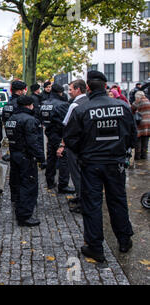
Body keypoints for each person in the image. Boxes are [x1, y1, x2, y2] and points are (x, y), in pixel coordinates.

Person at [64, 70, 136, 262]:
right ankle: (124, 239)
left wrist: (85, 151)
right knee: (118, 200)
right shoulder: (122, 107)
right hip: (115, 163)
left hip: (92, 164)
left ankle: (95, 246)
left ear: (87, 88)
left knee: (92, 204)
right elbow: (132, 135)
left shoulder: (82, 109)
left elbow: (70, 138)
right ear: (105, 86)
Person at [5, 96, 45, 226]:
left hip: (15, 155)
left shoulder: (11, 119)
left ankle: (19, 208)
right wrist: (41, 158)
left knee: (17, 183)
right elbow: (33, 142)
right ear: (29, 105)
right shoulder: (30, 120)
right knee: (28, 185)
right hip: (26, 157)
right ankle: (24, 216)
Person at [58, 79, 89, 213]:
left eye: (71, 89)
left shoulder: (74, 105)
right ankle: (82, 198)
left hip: (75, 146)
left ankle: (82, 201)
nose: (69, 92)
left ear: (78, 89)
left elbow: (67, 127)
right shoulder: (90, 102)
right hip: (88, 146)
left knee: (76, 175)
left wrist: (62, 145)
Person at [40, 84, 75, 193]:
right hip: (60, 135)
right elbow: (66, 122)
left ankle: (50, 182)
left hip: (50, 134)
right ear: (60, 92)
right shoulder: (63, 105)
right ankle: (63, 185)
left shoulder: (44, 104)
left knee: (51, 159)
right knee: (63, 160)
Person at [2, 80, 27, 203]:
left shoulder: (8, 104)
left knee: (14, 170)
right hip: (22, 142)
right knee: (23, 171)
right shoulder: (21, 104)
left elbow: (5, 121)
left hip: (12, 140)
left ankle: (14, 195)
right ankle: (21, 197)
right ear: (21, 91)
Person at [30, 83, 46, 167]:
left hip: (37, 121)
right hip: (37, 122)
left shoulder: (35, 98)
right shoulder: (35, 99)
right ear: (36, 90)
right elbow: (37, 111)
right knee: (39, 141)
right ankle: (41, 160)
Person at [132, 91, 150, 160]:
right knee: (145, 140)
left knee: (138, 140)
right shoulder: (148, 100)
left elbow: (132, 108)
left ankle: (137, 157)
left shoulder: (138, 101)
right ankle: (144, 156)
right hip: (148, 123)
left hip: (141, 122)